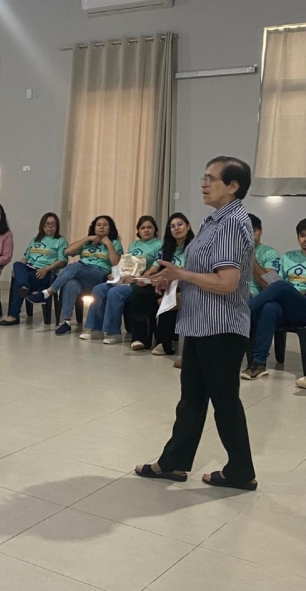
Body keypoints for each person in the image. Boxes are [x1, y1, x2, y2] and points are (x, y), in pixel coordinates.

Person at [135, 156, 257, 492]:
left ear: (232, 186)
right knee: (191, 398)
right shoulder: (213, 221)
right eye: (203, 177)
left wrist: (181, 274)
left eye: (210, 178)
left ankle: (241, 472)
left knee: (225, 403)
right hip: (202, 323)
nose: (203, 184)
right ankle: (173, 463)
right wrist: (173, 279)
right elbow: (202, 273)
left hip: (222, 327)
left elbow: (227, 283)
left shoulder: (232, 224)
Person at [31, 215, 123, 336]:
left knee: (75, 266)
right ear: (94, 228)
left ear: (110, 228)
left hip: (100, 275)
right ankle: (66, 322)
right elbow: (68, 251)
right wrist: (86, 239)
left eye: (105, 225)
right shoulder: (88, 242)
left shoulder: (115, 243)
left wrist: (108, 244)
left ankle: (48, 292)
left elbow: (116, 263)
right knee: (71, 283)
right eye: (98, 225)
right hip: (82, 276)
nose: (101, 227)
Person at [242, 218, 306, 383]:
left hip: (303, 306)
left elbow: (280, 285)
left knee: (282, 286)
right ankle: (258, 363)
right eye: (302, 235)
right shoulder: (289, 257)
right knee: (270, 307)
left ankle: (241, 313)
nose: (305, 240)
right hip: (288, 307)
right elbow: (273, 282)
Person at [81, 216, 162, 343]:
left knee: (114, 292)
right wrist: (114, 274)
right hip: (125, 280)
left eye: (149, 227)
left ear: (155, 229)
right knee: (98, 289)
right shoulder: (134, 244)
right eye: (142, 228)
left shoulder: (159, 244)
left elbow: (155, 269)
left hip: (141, 283)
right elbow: (125, 264)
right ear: (138, 230)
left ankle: (113, 332)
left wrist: (136, 279)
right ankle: (96, 329)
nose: (146, 230)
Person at [129, 213, 194, 354]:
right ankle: (141, 339)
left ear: (188, 226)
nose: (176, 228)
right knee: (141, 293)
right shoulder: (166, 248)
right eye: (172, 226)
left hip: (186, 286)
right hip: (166, 284)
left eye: (180, 224)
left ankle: (163, 343)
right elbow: (154, 268)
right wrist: (145, 278)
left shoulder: (194, 247)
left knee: (167, 299)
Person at [0, 212, 68, 326]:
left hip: (46, 273)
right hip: (30, 269)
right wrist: (17, 270)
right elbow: (25, 258)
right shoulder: (34, 240)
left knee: (18, 281)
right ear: (42, 225)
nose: (50, 226)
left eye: (53, 224)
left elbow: (63, 261)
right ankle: (24, 287)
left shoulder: (61, 241)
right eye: (47, 224)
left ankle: (13, 315)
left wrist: (46, 269)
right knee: (17, 265)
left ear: (57, 226)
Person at [248, 213, 280, 298]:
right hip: (235, 295)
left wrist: (252, 259)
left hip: (259, 297)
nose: (249, 236)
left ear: (260, 230)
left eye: (253, 231)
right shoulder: (229, 251)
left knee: (273, 305)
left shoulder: (270, 253)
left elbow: (269, 285)